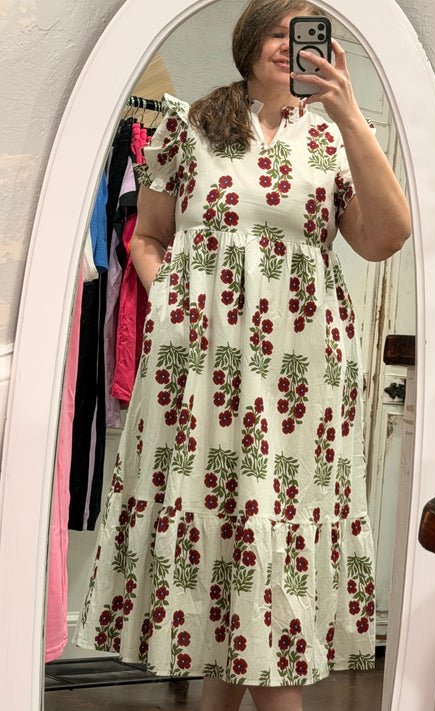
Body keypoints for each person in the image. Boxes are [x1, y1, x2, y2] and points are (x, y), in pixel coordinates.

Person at [74, 0, 411, 709]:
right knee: (222, 537)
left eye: (306, 35)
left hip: (298, 378)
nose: (291, 45)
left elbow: (386, 236)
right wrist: (173, 304)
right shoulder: (191, 126)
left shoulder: (333, 138)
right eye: (278, 31)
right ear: (249, 40)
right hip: (200, 373)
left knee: (272, 528)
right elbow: (148, 237)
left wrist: (349, 112)